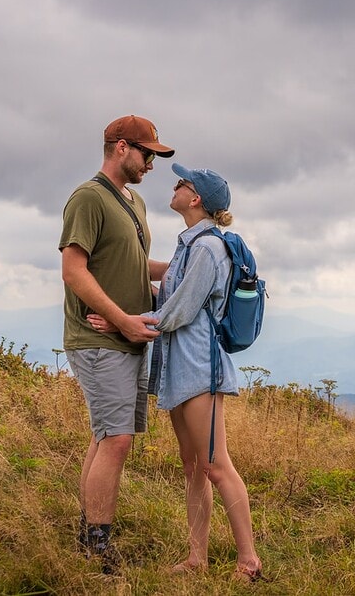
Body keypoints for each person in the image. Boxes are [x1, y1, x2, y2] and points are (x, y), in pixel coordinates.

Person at [88, 163, 264, 582]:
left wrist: (122, 322)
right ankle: (196, 558)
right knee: (193, 466)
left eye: (183, 183)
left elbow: (179, 311)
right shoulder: (189, 246)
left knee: (216, 465)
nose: (176, 185)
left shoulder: (206, 249)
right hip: (181, 370)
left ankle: (250, 562)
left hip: (201, 369)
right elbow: (170, 295)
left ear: (196, 198)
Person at [59, 114, 175, 573]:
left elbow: (134, 262)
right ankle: (98, 549)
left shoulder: (136, 202)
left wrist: (195, 261)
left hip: (127, 339)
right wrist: (121, 319)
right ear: (121, 147)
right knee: (117, 441)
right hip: (98, 338)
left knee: (106, 437)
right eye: (148, 154)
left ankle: (88, 534)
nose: (151, 163)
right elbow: (73, 269)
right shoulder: (88, 198)